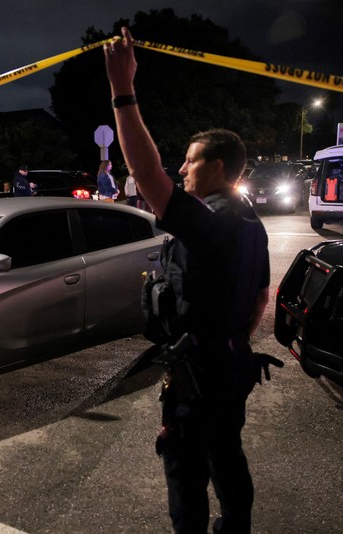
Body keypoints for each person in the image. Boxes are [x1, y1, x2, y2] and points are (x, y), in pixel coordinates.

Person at [105, 28, 270, 534]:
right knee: (227, 453)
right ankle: (236, 527)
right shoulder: (247, 219)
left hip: (201, 373)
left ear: (216, 167)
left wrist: (122, 90)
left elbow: (149, 174)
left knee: (184, 469)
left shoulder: (211, 220)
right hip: (231, 362)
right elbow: (261, 295)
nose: (182, 168)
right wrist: (233, 339)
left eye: (191, 160)